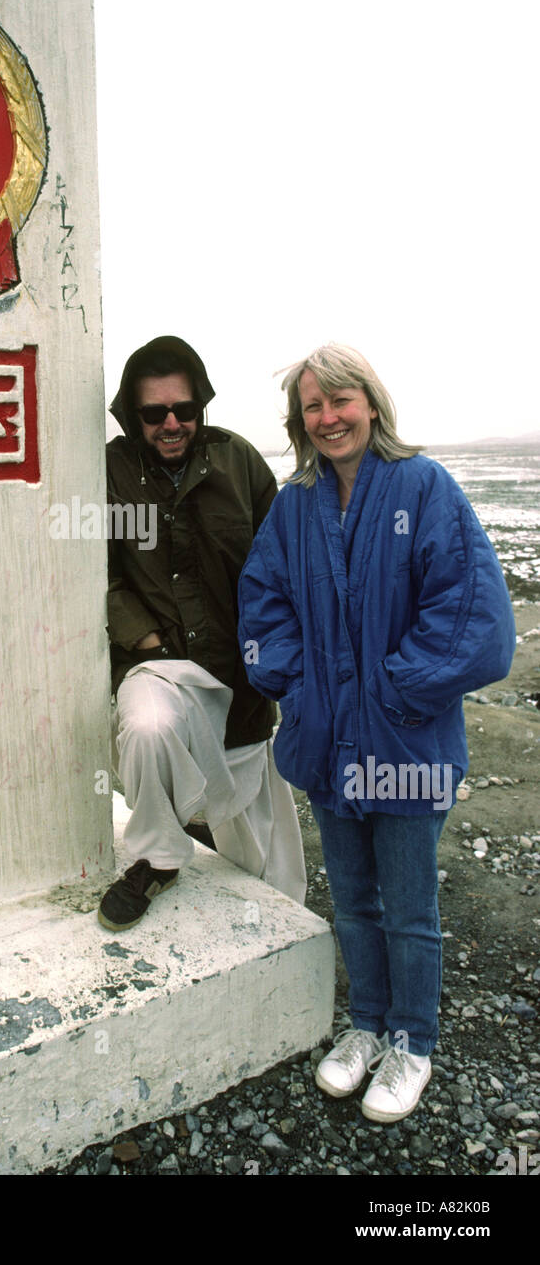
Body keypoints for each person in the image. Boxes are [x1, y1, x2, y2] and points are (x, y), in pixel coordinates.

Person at [237, 344, 515, 1122]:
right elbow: (264, 605)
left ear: (371, 402)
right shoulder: (294, 505)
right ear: (299, 422)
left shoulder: (423, 488)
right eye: (313, 407)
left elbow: (477, 618)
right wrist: (296, 682)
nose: (328, 418)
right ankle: (364, 1027)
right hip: (327, 740)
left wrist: (395, 688)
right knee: (352, 899)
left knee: (409, 906)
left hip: (406, 744)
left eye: (341, 400)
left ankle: (412, 1042)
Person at [99, 335, 306, 932]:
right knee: (146, 727)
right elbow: (93, 569)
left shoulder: (238, 462)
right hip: (158, 662)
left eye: (183, 410)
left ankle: (283, 935)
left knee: (269, 864)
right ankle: (158, 857)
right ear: (131, 416)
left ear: (200, 407)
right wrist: (140, 640)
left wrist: (273, 656)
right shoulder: (110, 471)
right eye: (154, 412)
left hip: (240, 668)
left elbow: (281, 565)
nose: (171, 423)